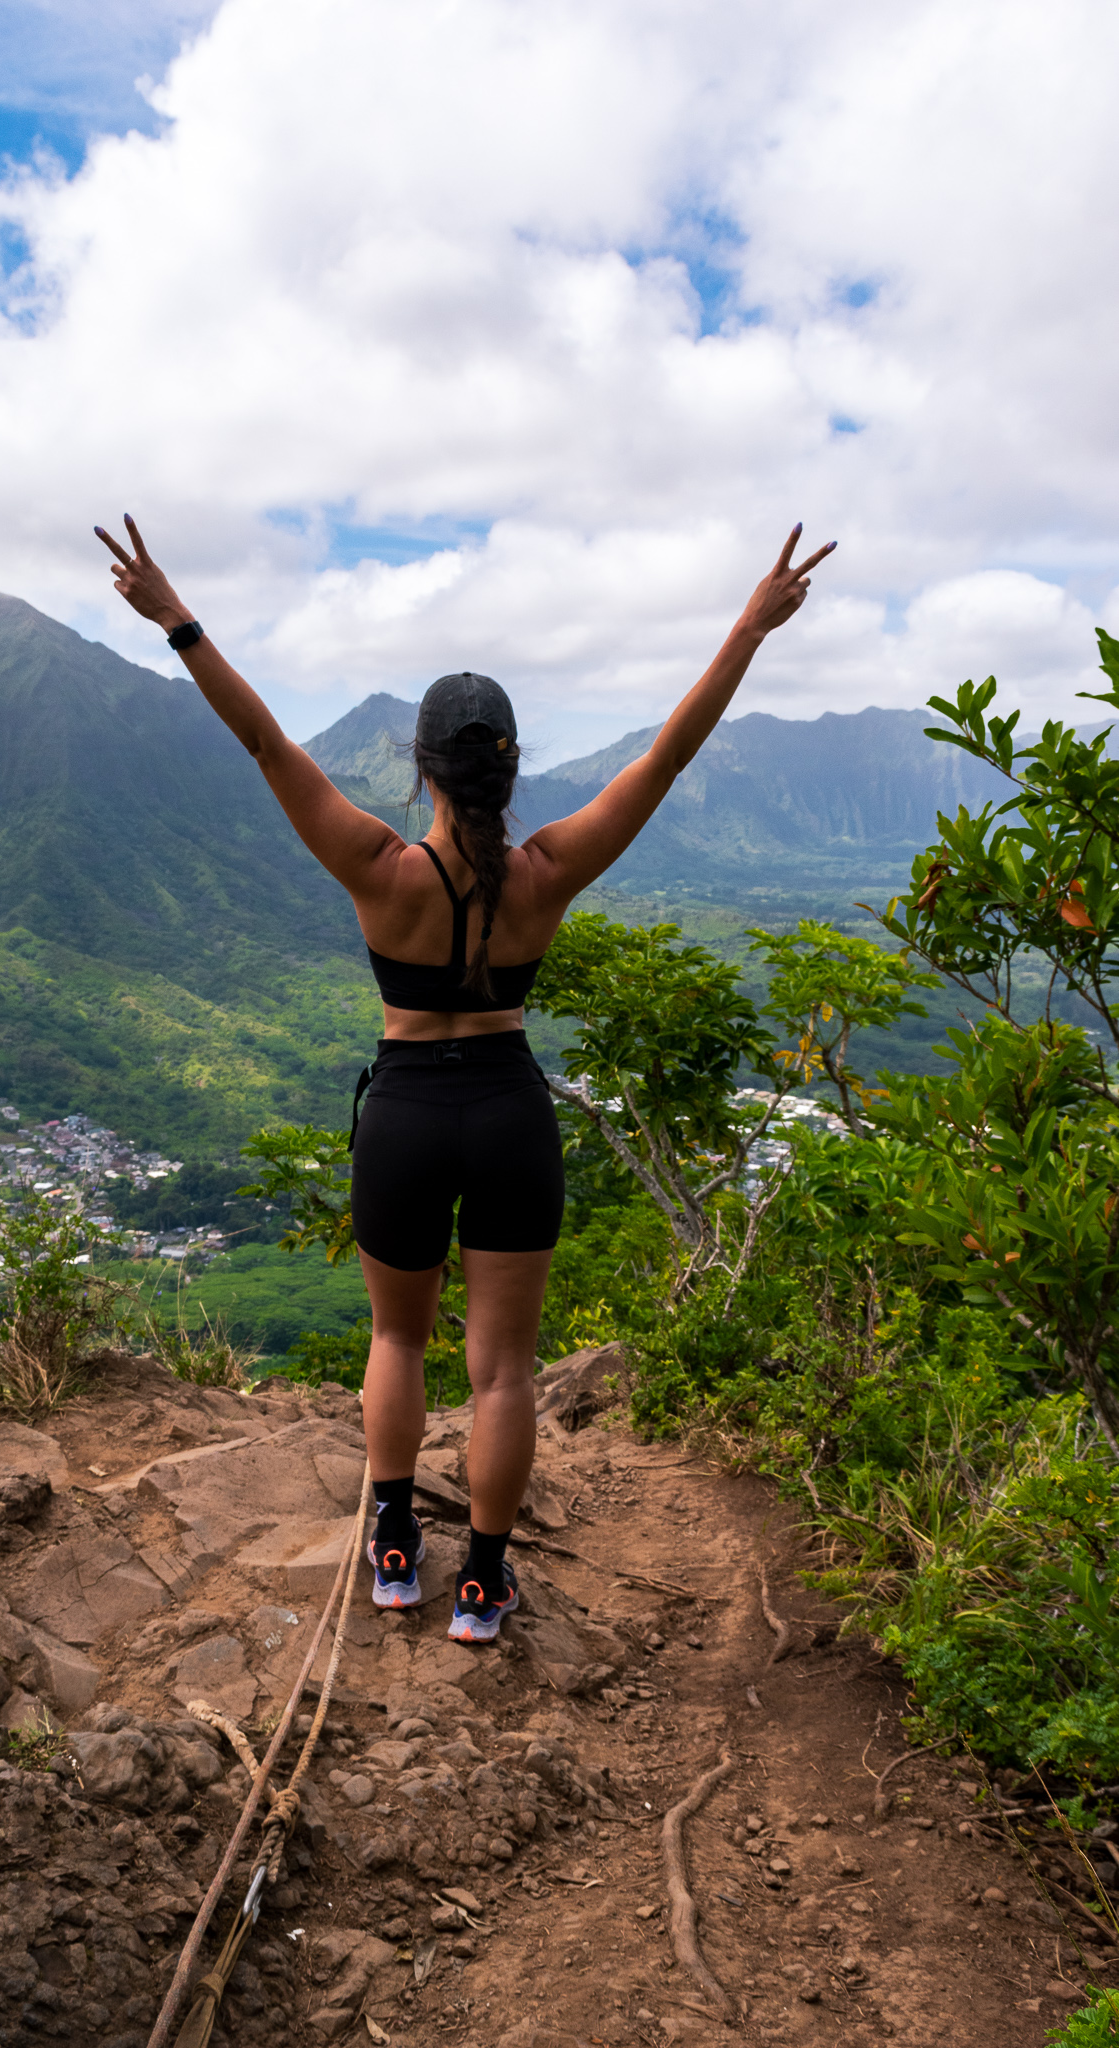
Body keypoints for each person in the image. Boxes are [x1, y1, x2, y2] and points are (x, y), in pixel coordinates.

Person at [95, 515, 835, 1641]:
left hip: (404, 1112)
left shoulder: (378, 867)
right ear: (510, 769)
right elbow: (668, 757)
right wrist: (747, 628)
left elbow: (265, 743)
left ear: (422, 769)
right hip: (507, 1112)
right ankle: (483, 1583)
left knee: (398, 1340)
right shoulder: (548, 873)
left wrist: (178, 620)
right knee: (504, 1371)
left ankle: (394, 1544)